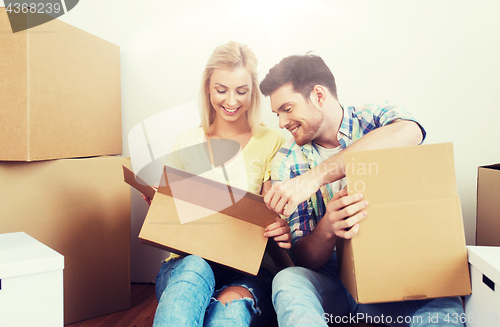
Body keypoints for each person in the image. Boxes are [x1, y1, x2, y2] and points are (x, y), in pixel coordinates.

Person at [259, 54, 466, 326]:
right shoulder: (286, 160)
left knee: (445, 297)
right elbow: (302, 259)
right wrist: (328, 227)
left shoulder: (373, 118)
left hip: (397, 272)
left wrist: (313, 179)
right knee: (288, 280)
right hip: (333, 282)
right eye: (277, 114)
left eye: (287, 108)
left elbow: (411, 132)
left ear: (319, 95)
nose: (282, 122)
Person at [143, 41, 291, 327]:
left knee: (229, 315)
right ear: (208, 88)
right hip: (186, 265)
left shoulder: (273, 142)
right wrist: (162, 208)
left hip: (248, 272)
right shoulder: (187, 142)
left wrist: (279, 224)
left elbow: (272, 213)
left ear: (254, 91)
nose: (231, 101)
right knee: (196, 266)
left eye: (242, 91)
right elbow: (173, 226)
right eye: (221, 90)